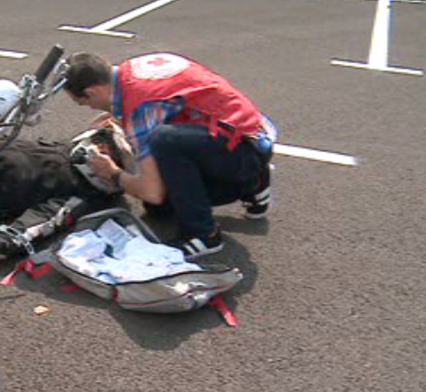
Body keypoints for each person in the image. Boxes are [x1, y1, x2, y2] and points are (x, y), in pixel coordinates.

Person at [63, 52, 275, 257]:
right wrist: (116, 114)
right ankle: (254, 183)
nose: (88, 107)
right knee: (159, 208)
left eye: (83, 102)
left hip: (244, 149)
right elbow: (174, 97)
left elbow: (151, 191)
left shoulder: (139, 107)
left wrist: (112, 173)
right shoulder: (133, 70)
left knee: (164, 144)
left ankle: (204, 233)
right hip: (245, 131)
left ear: (91, 92)